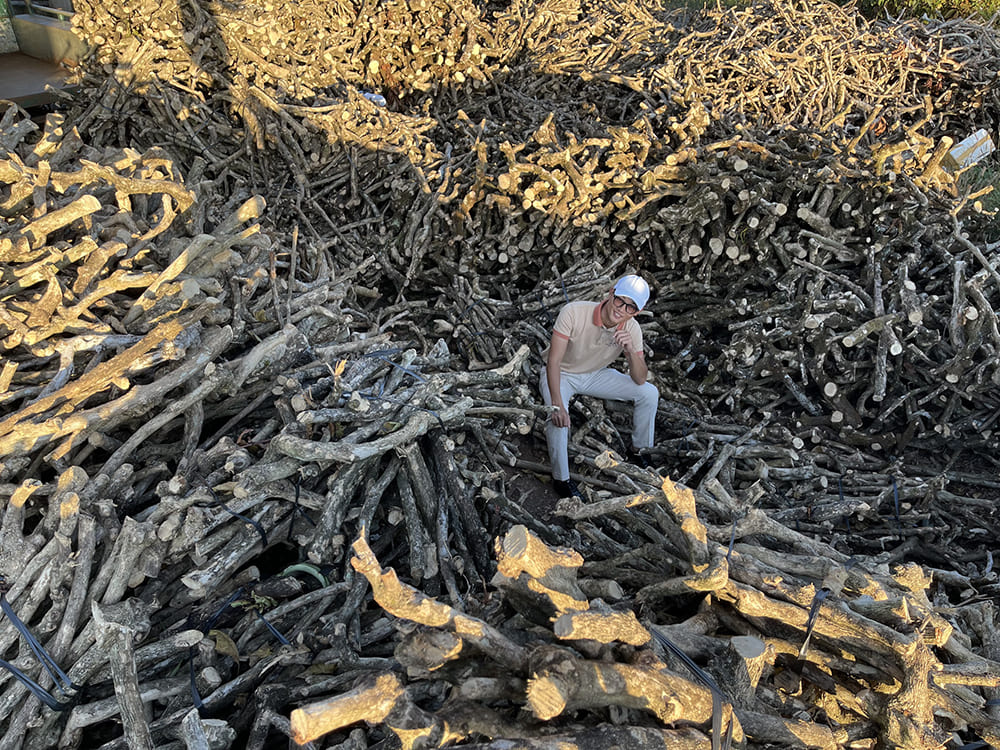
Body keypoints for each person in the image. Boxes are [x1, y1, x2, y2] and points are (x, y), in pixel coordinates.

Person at [539, 274, 659, 499]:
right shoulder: (574, 312)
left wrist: (632, 352)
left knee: (649, 393)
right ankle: (562, 480)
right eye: (620, 301)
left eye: (631, 307)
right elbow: (553, 361)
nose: (622, 310)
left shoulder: (632, 329)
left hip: (595, 374)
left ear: (637, 312)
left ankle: (639, 450)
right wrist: (557, 404)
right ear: (611, 293)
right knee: (557, 420)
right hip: (562, 373)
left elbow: (640, 379)